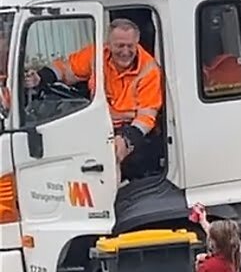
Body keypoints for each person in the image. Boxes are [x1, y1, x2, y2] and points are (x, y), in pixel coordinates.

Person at [24, 18, 165, 181]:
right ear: (109, 44)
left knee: (116, 161)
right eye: (120, 45)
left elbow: (146, 118)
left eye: (130, 46)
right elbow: (66, 69)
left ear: (137, 43)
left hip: (133, 132)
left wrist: (126, 140)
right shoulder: (96, 55)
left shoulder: (149, 70)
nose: (125, 51)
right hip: (99, 124)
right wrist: (40, 78)